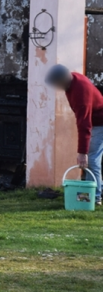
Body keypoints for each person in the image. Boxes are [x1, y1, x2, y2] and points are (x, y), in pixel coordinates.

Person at [45, 64, 103, 206]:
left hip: (100, 123)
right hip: (97, 121)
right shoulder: (71, 81)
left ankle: (94, 197)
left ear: (62, 80)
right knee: (93, 160)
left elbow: (84, 125)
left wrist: (82, 153)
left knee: (92, 160)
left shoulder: (81, 92)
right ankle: (93, 193)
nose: (56, 87)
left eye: (56, 83)